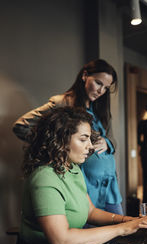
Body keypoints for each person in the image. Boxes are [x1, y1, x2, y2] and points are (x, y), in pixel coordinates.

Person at [18, 106, 147, 244]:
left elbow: (90, 212)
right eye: (83, 139)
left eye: (89, 139)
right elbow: (61, 241)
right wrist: (122, 228)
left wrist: (130, 220)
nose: (91, 146)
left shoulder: (72, 168)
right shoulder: (45, 177)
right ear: (61, 139)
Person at [13, 59, 123, 215]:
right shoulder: (62, 103)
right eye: (98, 83)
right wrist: (55, 143)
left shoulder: (100, 107)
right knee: (93, 233)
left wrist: (108, 142)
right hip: (85, 183)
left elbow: (113, 139)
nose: (101, 91)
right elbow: (20, 126)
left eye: (106, 88)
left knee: (120, 232)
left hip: (109, 184)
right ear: (85, 75)